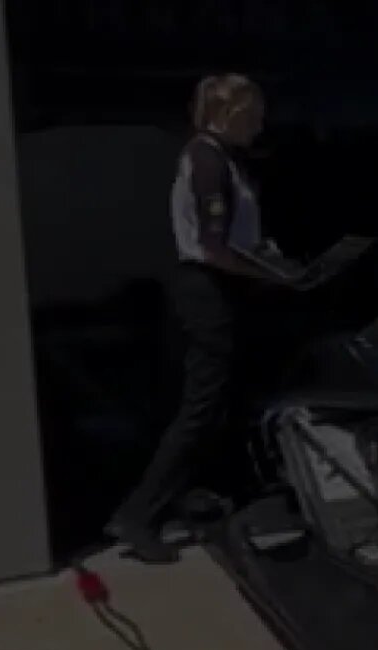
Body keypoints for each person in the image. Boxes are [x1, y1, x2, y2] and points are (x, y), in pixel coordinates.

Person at [107, 74, 278, 563]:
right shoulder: (206, 159)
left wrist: (267, 257)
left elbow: (233, 238)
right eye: (253, 113)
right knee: (201, 407)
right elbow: (211, 245)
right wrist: (265, 272)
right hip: (209, 292)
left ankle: (196, 494)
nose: (260, 123)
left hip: (221, 290)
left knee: (221, 402)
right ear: (233, 113)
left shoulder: (222, 160)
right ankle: (137, 514)